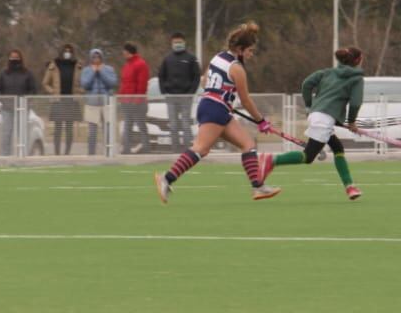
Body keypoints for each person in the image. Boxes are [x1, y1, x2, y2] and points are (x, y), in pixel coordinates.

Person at [154, 22, 280, 203]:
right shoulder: (237, 68)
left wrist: (223, 95)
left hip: (212, 106)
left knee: (247, 144)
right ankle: (166, 178)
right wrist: (261, 121)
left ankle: (258, 187)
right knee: (200, 149)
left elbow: (205, 82)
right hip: (215, 109)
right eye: (250, 51)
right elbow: (245, 100)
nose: (251, 55)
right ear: (239, 49)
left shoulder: (218, 57)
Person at [259, 46, 365, 201]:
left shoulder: (327, 73)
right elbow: (355, 103)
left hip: (317, 115)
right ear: (357, 61)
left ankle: (350, 187)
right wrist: (352, 122)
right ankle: (272, 160)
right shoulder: (356, 79)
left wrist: (310, 106)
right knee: (307, 157)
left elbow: (307, 83)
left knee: (337, 148)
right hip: (324, 120)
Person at [156, 31, 201, 151]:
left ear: (184, 42)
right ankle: (174, 149)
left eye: (180, 42)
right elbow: (161, 75)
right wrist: (164, 91)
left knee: (186, 123)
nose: (178, 44)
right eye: (175, 42)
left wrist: (191, 91)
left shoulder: (191, 58)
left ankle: (188, 150)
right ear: (171, 43)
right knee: (173, 124)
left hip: (186, 97)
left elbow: (197, 76)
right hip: (171, 97)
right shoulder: (167, 59)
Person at [43, 43, 83, 156]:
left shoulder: (77, 65)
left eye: (69, 51)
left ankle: (67, 153)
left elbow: (83, 82)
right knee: (58, 129)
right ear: (61, 52)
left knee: (69, 129)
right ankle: (57, 153)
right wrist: (53, 92)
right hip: (58, 101)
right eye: (65, 50)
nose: (67, 53)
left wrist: (80, 91)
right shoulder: (54, 64)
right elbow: (45, 83)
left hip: (72, 101)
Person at [0, 49, 37, 157]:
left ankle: (23, 156)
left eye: (16, 57)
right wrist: (4, 100)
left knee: (22, 134)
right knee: (6, 134)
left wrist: (26, 101)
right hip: (7, 108)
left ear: (21, 58)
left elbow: (33, 90)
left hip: (22, 108)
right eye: (12, 57)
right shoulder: (3, 73)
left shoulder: (27, 73)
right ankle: (5, 156)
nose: (14, 60)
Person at [80, 48, 118, 155]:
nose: (96, 59)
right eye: (94, 57)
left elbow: (112, 83)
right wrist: (93, 72)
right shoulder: (86, 70)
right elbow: (85, 84)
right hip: (92, 104)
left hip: (106, 104)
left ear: (101, 57)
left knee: (107, 130)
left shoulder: (109, 69)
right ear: (91, 58)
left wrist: (101, 72)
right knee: (92, 132)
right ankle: (91, 154)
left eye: (98, 56)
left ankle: (108, 153)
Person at [119, 42, 150, 154]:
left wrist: (137, 99)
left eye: (125, 51)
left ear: (129, 52)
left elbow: (142, 84)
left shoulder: (140, 64)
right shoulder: (126, 65)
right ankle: (126, 148)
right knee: (128, 125)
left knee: (141, 124)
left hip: (138, 102)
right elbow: (124, 83)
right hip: (127, 102)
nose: (123, 53)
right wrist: (121, 97)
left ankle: (146, 147)